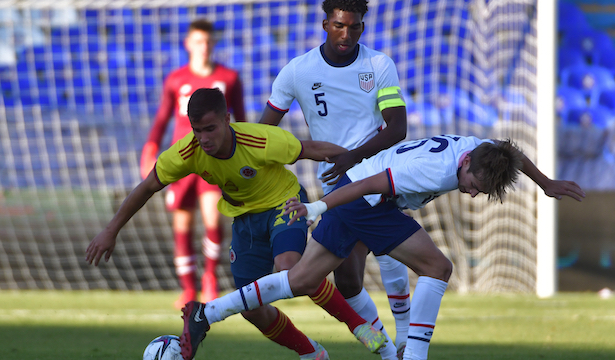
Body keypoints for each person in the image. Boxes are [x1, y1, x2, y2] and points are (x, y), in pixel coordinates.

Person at [178, 135, 586, 360]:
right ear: (464, 166)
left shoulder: (483, 150)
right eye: (473, 186)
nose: (473, 194)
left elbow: (510, 150)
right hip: (365, 199)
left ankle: (207, 312)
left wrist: (545, 183)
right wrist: (315, 206)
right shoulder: (430, 169)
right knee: (438, 268)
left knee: (303, 279)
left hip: (359, 195)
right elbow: (372, 186)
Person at [86, 88, 387, 360]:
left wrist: (368, 171)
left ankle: (359, 326)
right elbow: (148, 185)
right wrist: (111, 230)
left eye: (210, 129)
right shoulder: (187, 152)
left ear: (227, 119)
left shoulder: (259, 139)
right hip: (244, 220)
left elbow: (315, 150)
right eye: (197, 130)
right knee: (252, 309)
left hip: (284, 203)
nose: (203, 138)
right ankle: (312, 353)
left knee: (290, 269)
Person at [259, 1, 410, 357]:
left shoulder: (378, 64)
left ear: (362, 26)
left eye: (355, 27)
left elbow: (398, 127)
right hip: (334, 186)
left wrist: (354, 156)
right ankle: (389, 348)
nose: (347, 34)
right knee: (346, 281)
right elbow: (264, 133)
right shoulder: (298, 71)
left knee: (389, 250)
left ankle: (403, 341)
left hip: (376, 173)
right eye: (340, 26)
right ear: (326, 24)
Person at [140, 19, 246, 308]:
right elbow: (162, 118)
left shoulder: (229, 78)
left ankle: (209, 278)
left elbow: (242, 119)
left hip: (215, 160)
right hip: (182, 160)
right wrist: (150, 148)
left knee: (213, 220)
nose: (204, 47)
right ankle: (188, 289)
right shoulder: (176, 79)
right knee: (182, 224)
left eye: (208, 41)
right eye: (198, 41)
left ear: (214, 44)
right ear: (188, 44)